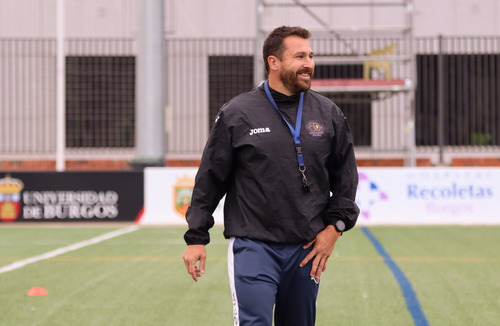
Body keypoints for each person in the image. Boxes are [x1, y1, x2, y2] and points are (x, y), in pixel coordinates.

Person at [183, 25, 359, 326]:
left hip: (307, 249)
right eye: (299, 56)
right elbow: (210, 179)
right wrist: (196, 237)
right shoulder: (237, 113)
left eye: (311, 56)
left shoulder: (328, 113)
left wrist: (335, 228)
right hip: (254, 246)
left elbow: (346, 178)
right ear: (273, 62)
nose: (309, 63)